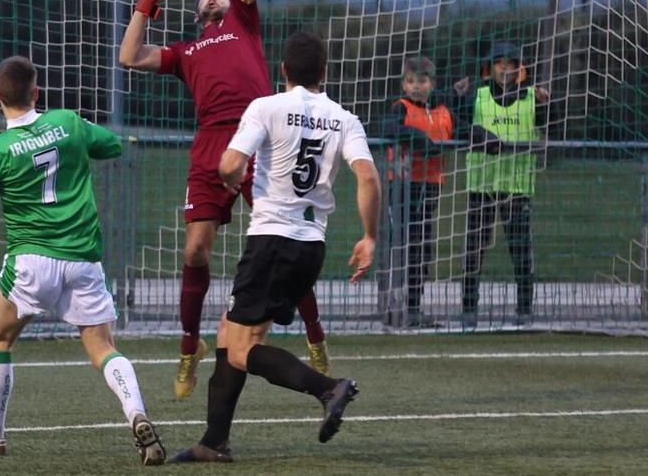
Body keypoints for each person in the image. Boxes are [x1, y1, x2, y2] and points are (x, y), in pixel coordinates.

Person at [118, 0, 330, 400]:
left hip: (262, 134)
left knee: (284, 236)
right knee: (194, 252)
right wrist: (146, 2)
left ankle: (315, 336)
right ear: (193, 9)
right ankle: (189, 347)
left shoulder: (243, 21)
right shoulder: (186, 51)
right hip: (212, 142)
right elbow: (128, 56)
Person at [0, 56, 165, 465]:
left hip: (31, 261)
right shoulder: (67, 123)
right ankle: (136, 413)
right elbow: (111, 145)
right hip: (83, 258)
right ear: (37, 92)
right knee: (103, 346)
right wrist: (73, 134)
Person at [173, 31, 381, 463]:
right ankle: (214, 442)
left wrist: (231, 179)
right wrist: (369, 236)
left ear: (282, 71)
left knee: (242, 348)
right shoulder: (344, 118)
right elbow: (368, 178)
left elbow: (230, 163)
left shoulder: (265, 107)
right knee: (230, 336)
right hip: (312, 246)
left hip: (271, 241)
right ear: (324, 72)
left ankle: (328, 388)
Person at [457, 42, 551, 329]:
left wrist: (548, 107)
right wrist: (456, 96)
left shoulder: (533, 99)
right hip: (481, 186)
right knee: (473, 253)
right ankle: (469, 309)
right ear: (490, 67)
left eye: (512, 64)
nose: (506, 69)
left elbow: (552, 128)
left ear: (521, 69)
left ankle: (525, 309)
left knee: (521, 252)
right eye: (500, 63)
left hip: (517, 187)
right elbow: (458, 124)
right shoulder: (477, 96)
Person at [381, 56, 460, 327]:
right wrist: (419, 141)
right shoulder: (400, 108)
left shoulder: (444, 112)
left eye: (422, 81)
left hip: (431, 187)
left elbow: (462, 130)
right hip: (402, 186)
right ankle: (392, 305)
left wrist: (482, 135)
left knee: (423, 248)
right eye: (410, 81)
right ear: (404, 85)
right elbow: (390, 128)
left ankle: (414, 307)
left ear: (432, 83)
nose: (416, 86)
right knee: (401, 245)